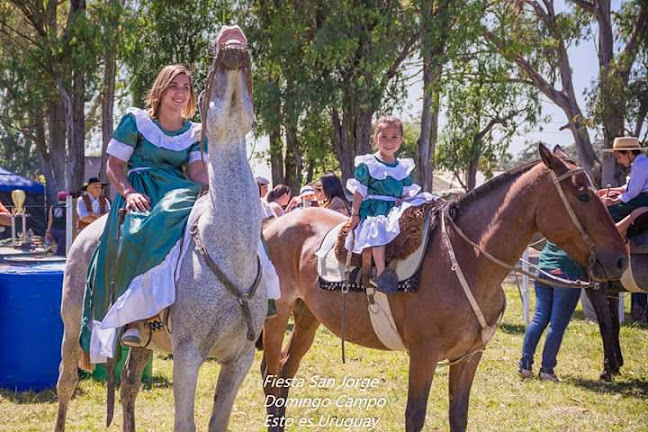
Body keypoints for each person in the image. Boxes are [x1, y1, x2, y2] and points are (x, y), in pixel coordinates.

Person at [79, 62, 210, 355]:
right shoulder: (137, 121)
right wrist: (128, 193)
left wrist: (216, 185)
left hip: (179, 188)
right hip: (142, 189)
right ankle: (135, 317)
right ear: (161, 90)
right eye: (174, 86)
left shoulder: (195, 132)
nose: (180, 93)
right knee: (140, 228)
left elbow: (198, 172)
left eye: (186, 87)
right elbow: (114, 165)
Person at [345, 115, 430, 294]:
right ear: (375, 138)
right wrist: (355, 214)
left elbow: (407, 192)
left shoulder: (403, 168)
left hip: (395, 208)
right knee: (378, 228)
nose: (389, 141)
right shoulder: (368, 163)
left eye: (394, 137)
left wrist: (404, 200)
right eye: (383, 136)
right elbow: (360, 190)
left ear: (401, 140)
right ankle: (382, 274)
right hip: (375, 208)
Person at [599, 137, 648, 222]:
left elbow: (631, 193)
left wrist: (613, 202)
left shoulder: (640, 165)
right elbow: (632, 186)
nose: (618, 161)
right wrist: (613, 190)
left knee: (608, 212)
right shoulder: (641, 162)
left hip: (643, 200)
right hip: (641, 197)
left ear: (629, 152)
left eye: (619, 156)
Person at [45, 191, 68, 256]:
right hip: (64, 230)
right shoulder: (68, 207)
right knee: (61, 251)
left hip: (54, 230)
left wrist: (48, 231)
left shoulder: (53, 207)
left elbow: (50, 220)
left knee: (57, 247)